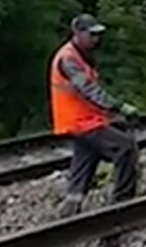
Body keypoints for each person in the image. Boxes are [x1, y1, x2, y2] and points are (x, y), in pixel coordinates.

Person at [50, 14, 141, 218]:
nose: (95, 39)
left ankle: (68, 215)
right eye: (91, 35)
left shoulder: (79, 55)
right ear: (77, 33)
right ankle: (123, 204)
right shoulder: (68, 59)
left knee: (84, 164)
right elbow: (88, 89)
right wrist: (118, 107)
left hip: (84, 121)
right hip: (81, 122)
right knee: (126, 148)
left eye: (97, 35)